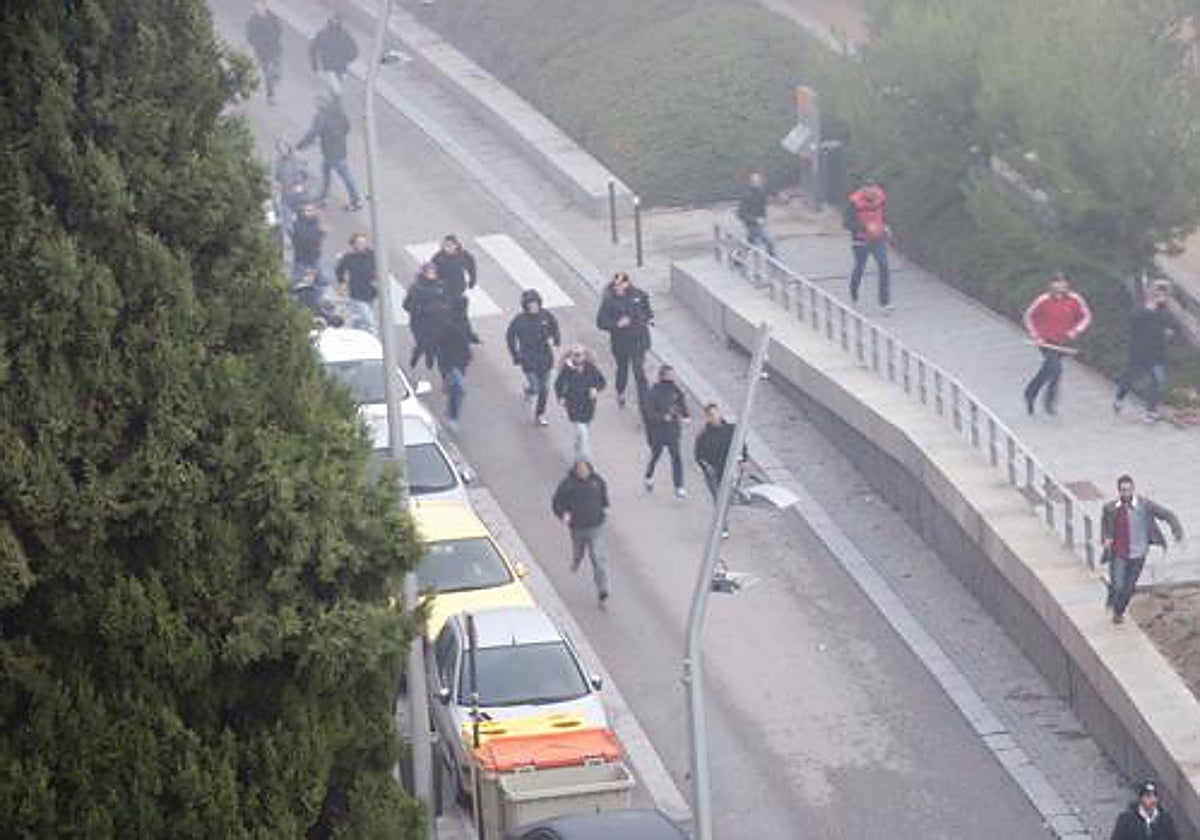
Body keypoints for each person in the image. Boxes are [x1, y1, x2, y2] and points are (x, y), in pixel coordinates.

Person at [1100, 475, 1183, 624]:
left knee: (1129, 587)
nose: (1126, 493)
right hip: (1118, 553)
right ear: (1118, 491)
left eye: (1129, 490)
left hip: (1138, 554)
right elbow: (1105, 527)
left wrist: (1176, 530)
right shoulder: (1110, 508)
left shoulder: (1144, 505)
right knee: (1118, 585)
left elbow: (1167, 514)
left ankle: (1118, 613)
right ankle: (1113, 593)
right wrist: (1106, 539)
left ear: (1133, 489)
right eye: (1123, 490)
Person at [1022, 272, 1092, 415]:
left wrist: (1076, 330)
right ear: (1050, 285)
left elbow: (1086, 316)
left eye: (1063, 282)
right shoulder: (1043, 300)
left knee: (1048, 370)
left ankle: (1030, 392)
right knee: (1056, 369)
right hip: (1046, 341)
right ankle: (1049, 403)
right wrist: (1035, 335)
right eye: (1057, 282)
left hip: (1064, 342)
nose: (1060, 285)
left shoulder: (1075, 299)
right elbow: (1028, 316)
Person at [551, 459, 611, 605]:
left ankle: (602, 589)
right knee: (579, 550)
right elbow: (556, 502)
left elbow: (604, 496)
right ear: (576, 471)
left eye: (585, 470)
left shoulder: (597, 481)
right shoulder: (568, 484)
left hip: (595, 526)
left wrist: (606, 507)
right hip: (577, 528)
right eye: (580, 470)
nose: (583, 473)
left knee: (597, 557)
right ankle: (577, 559)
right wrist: (563, 514)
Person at [1115, 280, 1173, 423]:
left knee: (1159, 382)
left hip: (1157, 353)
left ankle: (1151, 412)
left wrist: (1167, 332)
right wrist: (1149, 308)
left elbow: (1166, 325)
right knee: (1131, 378)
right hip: (1139, 352)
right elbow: (1133, 321)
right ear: (1152, 293)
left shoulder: (1164, 310)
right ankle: (1119, 398)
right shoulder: (1142, 307)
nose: (1161, 296)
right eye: (1158, 292)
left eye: (1164, 293)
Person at [595, 271, 653, 409]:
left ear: (627, 283)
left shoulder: (639, 295)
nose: (617, 288)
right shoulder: (609, 300)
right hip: (620, 343)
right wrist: (617, 325)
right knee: (623, 370)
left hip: (639, 339)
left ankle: (644, 401)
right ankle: (620, 392)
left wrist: (646, 319)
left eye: (620, 285)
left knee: (639, 371)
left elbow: (648, 311)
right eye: (616, 286)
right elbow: (600, 322)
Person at [297, 94, 363, 212]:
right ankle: (325, 197)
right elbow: (347, 127)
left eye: (317, 102)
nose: (316, 104)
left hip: (330, 152)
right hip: (340, 149)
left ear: (322, 103)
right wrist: (337, 136)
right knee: (331, 172)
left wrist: (300, 146)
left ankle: (354, 200)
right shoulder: (339, 113)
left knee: (341, 176)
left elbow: (312, 133)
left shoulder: (321, 117)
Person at [506, 289, 561, 425]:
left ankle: (540, 414)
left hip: (545, 356)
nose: (534, 307)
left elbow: (554, 326)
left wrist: (556, 338)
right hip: (528, 358)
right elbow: (510, 337)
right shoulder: (519, 321)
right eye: (530, 304)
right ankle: (530, 389)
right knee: (536, 387)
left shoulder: (545, 315)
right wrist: (515, 354)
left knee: (545, 389)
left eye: (536, 304)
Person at [694, 403, 747, 536]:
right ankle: (723, 527)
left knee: (728, 499)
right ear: (707, 418)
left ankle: (723, 518)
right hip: (714, 474)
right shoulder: (703, 437)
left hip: (730, 470)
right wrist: (706, 467)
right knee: (719, 501)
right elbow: (699, 456)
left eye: (716, 413)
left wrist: (742, 459)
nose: (715, 417)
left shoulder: (731, 430)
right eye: (711, 415)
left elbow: (741, 445)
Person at [642, 365, 690, 499]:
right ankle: (649, 475)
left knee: (676, 456)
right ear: (662, 376)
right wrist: (662, 417)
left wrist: (686, 416)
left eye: (673, 374)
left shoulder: (676, 391)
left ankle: (679, 486)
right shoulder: (653, 392)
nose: (673, 377)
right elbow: (649, 413)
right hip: (658, 432)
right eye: (670, 374)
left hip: (673, 431)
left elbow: (682, 404)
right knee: (656, 455)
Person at [844, 179, 891, 309]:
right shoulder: (853, 202)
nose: (872, 193)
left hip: (878, 239)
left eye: (873, 189)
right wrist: (865, 227)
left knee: (883, 266)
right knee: (860, 267)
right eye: (868, 190)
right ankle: (854, 294)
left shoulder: (881, 198)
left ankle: (884, 302)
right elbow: (847, 223)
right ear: (863, 190)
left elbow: (883, 215)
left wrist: (886, 226)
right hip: (860, 240)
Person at [554, 346, 606, 461]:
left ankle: (579, 443)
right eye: (575, 354)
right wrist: (561, 397)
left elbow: (602, 382)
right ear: (571, 356)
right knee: (582, 430)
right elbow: (558, 384)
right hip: (573, 403)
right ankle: (583, 456)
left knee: (584, 428)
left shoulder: (591, 368)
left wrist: (595, 389)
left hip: (588, 404)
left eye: (580, 354)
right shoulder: (567, 370)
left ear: (585, 356)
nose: (578, 357)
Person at [435, 297, 478, 433]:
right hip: (450, 363)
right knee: (460, 390)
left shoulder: (463, 320)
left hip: (461, 361)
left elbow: (467, 333)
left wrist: (474, 339)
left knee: (454, 390)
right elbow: (437, 341)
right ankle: (453, 418)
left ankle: (449, 411)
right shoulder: (447, 323)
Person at [403, 263, 449, 370]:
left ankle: (430, 357)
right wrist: (422, 309)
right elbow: (407, 305)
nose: (432, 275)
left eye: (433, 272)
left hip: (436, 321)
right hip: (419, 322)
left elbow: (447, 301)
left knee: (433, 343)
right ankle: (416, 354)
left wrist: (444, 309)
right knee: (422, 343)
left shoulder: (441, 285)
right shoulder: (416, 287)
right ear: (424, 273)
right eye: (429, 272)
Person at [309, 14, 358, 96]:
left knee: (337, 88)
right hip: (332, 66)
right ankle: (332, 100)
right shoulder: (325, 34)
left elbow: (354, 49)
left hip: (339, 66)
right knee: (338, 90)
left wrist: (349, 58)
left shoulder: (342, 35)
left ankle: (330, 98)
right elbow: (314, 48)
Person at [1110, 780, 1178, 840]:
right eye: (1148, 796)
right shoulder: (1126, 820)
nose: (1153, 800)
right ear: (1140, 798)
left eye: (1154, 796)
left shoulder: (1166, 819)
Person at [246, 0, 283, 105]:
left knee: (275, 69)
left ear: (265, 6)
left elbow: (279, 31)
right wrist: (256, 43)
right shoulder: (252, 21)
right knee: (268, 74)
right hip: (262, 52)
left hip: (275, 49)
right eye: (256, 7)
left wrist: (275, 39)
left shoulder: (273, 18)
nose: (259, 9)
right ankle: (270, 95)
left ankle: (276, 74)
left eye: (261, 6)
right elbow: (250, 37)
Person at [736, 171, 776, 257]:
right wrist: (755, 219)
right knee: (769, 241)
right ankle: (773, 260)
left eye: (759, 181)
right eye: (755, 181)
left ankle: (737, 257)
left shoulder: (762, 191)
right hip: (751, 223)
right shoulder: (746, 195)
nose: (758, 183)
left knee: (750, 242)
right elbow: (741, 214)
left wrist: (763, 218)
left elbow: (763, 205)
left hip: (759, 222)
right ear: (751, 182)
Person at [430, 235, 477, 303]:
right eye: (446, 245)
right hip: (444, 287)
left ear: (456, 245)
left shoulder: (463, 255)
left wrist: (472, 280)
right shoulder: (438, 258)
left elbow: (471, 267)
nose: (448, 248)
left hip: (458, 285)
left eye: (450, 245)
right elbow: (432, 271)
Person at [336, 232, 377, 310]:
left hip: (371, 291)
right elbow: (340, 270)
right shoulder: (348, 257)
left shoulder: (372, 255)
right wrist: (342, 282)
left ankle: (356, 321)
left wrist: (377, 280)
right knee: (369, 320)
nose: (362, 245)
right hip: (356, 293)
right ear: (353, 244)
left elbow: (379, 269)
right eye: (359, 243)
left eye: (364, 242)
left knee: (366, 316)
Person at [290, 200, 324, 281]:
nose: (306, 213)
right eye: (304, 211)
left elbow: (318, 241)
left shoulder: (317, 224)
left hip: (314, 260)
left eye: (309, 211)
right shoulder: (296, 224)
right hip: (301, 261)